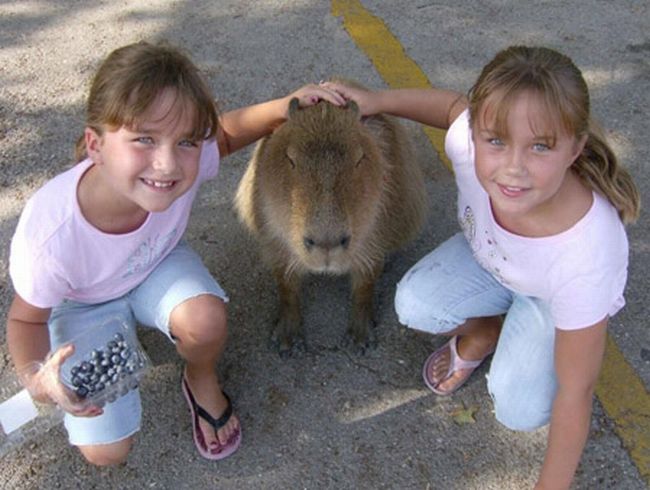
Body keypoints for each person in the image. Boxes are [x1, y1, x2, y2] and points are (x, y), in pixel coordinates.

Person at [6, 41, 345, 466]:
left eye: (185, 141)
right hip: (83, 301)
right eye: (144, 139)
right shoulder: (50, 237)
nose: (167, 164)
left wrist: (284, 105)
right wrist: (37, 378)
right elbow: (25, 317)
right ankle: (117, 340)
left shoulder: (184, 161)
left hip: (154, 263)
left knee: (205, 320)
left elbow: (226, 134)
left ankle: (200, 376)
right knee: (106, 454)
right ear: (95, 145)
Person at [323, 45, 640, 489]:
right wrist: (377, 99)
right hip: (494, 261)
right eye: (496, 140)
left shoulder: (587, 254)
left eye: (541, 146)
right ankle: (485, 329)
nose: (513, 168)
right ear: (477, 135)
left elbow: (577, 392)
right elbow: (453, 107)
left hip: (549, 298)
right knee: (414, 304)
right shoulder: (472, 149)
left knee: (519, 408)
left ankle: (517, 330)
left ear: (576, 149)